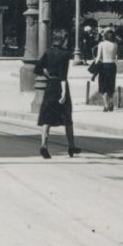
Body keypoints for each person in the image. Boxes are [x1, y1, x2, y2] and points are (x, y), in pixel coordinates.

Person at [35, 28, 79, 158]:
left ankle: (43, 145)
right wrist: (64, 93)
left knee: (47, 118)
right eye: (67, 39)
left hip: (50, 87)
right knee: (67, 118)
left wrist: (46, 73)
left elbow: (37, 68)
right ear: (63, 40)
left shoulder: (48, 52)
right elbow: (63, 76)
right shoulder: (65, 54)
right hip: (60, 87)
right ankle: (71, 146)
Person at [92, 27, 119, 112]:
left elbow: (98, 57)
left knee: (103, 86)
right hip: (112, 65)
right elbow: (115, 57)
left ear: (105, 36)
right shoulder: (115, 44)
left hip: (104, 65)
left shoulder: (101, 44)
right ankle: (111, 103)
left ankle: (106, 105)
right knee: (111, 85)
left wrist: (94, 67)